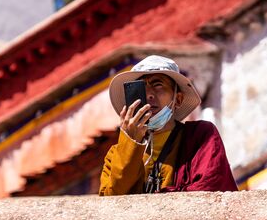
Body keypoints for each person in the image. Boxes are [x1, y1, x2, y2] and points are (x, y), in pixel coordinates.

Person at [99, 55, 237, 195]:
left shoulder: (200, 137)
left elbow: (210, 189)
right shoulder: (115, 154)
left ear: (177, 99)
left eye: (158, 85)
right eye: (141, 89)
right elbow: (112, 203)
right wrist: (131, 143)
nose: (149, 95)